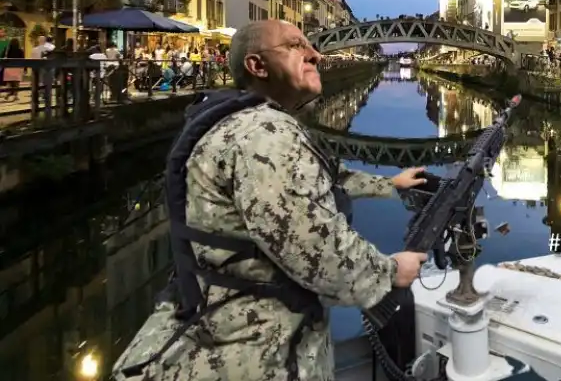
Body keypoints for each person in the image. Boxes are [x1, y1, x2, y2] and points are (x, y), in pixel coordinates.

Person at [113, 20, 428, 381]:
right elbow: (317, 250)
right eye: (296, 46)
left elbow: (326, 175)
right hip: (256, 350)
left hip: (210, 319)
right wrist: (389, 272)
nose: (315, 54)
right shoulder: (266, 134)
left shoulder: (239, 122)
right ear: (257, 66)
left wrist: (389, 183)